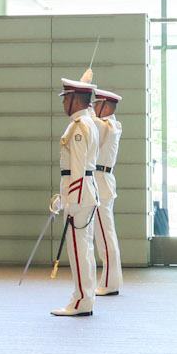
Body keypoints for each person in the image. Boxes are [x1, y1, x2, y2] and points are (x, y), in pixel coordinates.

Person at [52, 71, 102, 318]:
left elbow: (78, 169)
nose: (63, 103)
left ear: (75, 100)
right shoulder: (87, 122)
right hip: (82, 194)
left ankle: (82, 300)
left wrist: (71, 201)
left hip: (80, 196)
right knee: (83, 249)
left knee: (79, 249)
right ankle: (83, 296)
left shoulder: (80, 127)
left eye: (65, 98)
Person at [93, 86, 125, 297]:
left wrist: (84, 84)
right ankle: (110, 281)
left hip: (100, 181)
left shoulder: (106, 126)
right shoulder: (109, 124)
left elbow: (82, 113)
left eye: (96, 103)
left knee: (105, 235)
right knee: (104, 234)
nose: (93, 106)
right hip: (101, 180)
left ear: (105, 106)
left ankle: (110, 282)